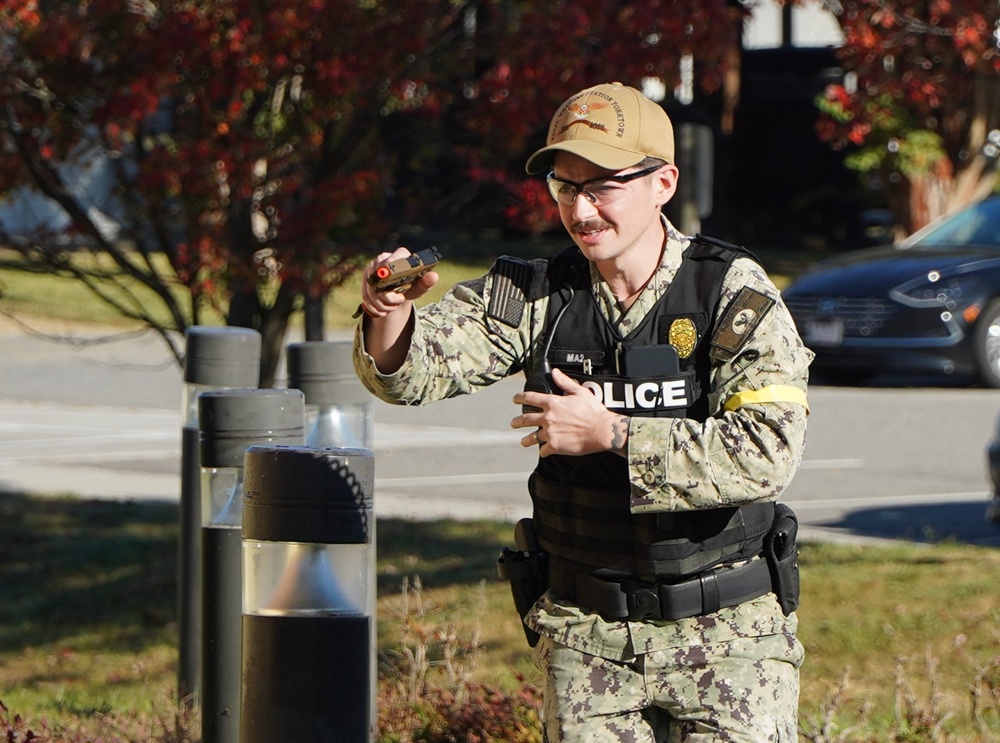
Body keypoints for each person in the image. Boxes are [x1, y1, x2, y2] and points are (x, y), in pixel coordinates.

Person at [353, 81, 813, 742]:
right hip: (589, 640)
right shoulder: (540, 295)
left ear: (663, 183)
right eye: (566, 188)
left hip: (730, 639)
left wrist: (614, 433)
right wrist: (388, 316)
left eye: (603, 186)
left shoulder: (728, 294)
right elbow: (414, 371)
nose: (582, 209)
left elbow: (768, 452)